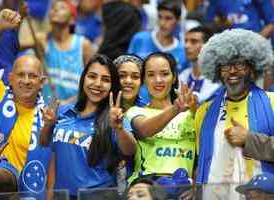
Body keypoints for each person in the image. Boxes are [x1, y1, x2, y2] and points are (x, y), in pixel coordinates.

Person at [0, 9, 52, 198]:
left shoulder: (51, 114)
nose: (26, 80)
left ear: (42, 82)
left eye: (32, 76)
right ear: (10, 77)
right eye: (20, 75)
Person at [41, 54, 137, 199]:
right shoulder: (63, 112)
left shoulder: (116, 118)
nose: (98, 84)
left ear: (113, 86)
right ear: (83, 79)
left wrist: (119, 128)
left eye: (105, 80)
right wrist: (49, 125)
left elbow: (130, 150)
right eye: (92, 76)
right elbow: (45, 144)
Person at [195, 29, 274, 200]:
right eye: (225, 65)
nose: (232, 71)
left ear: (252, 68)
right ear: (217, 70)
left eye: (239, 64)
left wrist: (249, 140)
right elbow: (199, 163)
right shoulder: (204, 111)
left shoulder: (272, 102)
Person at [125, 52, 197, 183]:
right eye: (151, 75)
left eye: (164, 74)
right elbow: (144, 130)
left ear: (174, 77)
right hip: (145, 187)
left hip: (183, 190)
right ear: (144, 80)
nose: (158, 80)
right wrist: (176, 109)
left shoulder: (191, 114)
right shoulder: (135, 112)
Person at [21, 0, 93, 103]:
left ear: (72, 19)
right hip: (46, 110)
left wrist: (67, 103)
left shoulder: (83, 45)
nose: (55, 10)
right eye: (53, 8)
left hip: (72, 111)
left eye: (62, 8)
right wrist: (21, 16)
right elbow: (14, 45)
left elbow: (90, 83)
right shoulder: (42, 41)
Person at [128, 0, 187, 73]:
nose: (162, 23)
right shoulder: (140, 38)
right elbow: (127, 68)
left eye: (168, 18)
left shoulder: (183, 51)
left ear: (178, 21)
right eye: (160, 17)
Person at [179, 26, 220, 103]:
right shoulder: (183, 75)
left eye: (193, 41)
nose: (186, 46)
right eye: (186, 41)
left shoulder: (218, 79)